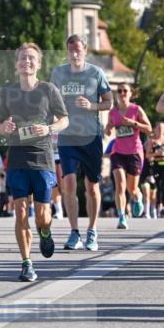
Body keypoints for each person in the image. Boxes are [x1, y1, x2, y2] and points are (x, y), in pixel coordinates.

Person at [0, 43, 69, 283]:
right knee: (20, 212)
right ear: (16, 64)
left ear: (38, 64)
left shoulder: (48, 89)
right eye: (22, 58)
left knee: (42, 215)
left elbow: (64, 119)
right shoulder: (7, 93)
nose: (27, 62)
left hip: (42, 157)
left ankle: (45, 231)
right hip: (17, 158)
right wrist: (3, 127)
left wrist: (48, 127)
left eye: (31, 59)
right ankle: (26, 262)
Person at [50, 34, 112, 252]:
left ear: (85, 50)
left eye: (78, 50)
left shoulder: (96, 73)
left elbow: (108, 102)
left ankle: (92, 231)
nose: (75, 54)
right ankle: (74, 231)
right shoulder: (58, 73)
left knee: (92, 186)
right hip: (68, 136)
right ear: (67, 52)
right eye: (71, 50)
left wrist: (92, 106)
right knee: (68, 183)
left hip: (91, 137)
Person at [104, 84, 152, 229]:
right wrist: (108, 128)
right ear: (116, 94)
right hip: (117, 152)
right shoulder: (113, 112)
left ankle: (138, 198)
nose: (122, 93)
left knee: (132, 188)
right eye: (119, 91)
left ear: (131, 93)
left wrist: (134, 123)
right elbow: (108, 129)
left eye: (125, 91)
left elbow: (149, 129)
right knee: (120, 185)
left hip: (134, 153)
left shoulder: (136, 109)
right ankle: (122, 216)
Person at [148, 122, 164, 216]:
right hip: (156, 166)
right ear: (155, 129)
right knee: (158, 185)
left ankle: (163, 207)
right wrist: (156, 154)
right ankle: (157, 206)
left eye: (162, 128)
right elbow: (147, 155)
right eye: (159, 128)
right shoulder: (152, 141)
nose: (161, 130)